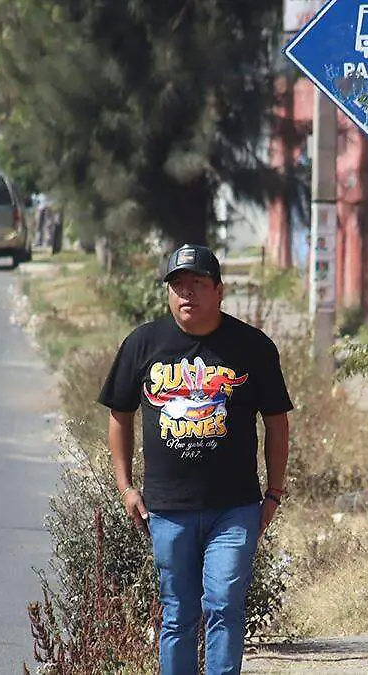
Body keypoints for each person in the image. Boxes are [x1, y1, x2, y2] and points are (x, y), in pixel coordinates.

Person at [97, 244, 293, 675]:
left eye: (198, 284)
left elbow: (277, 423)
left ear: (219, 291)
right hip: (167, 508)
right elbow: (119, 414)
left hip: (235, 507)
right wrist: (125, 486)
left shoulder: (252, 347)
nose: (187, 294)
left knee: (224, 603)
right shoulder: (143, 343)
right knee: (178, 614)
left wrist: (274, 493)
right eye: (178, 285)